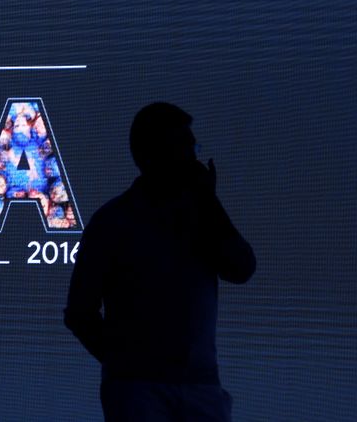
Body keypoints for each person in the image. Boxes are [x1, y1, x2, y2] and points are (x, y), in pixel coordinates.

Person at [65, 102, 256, 422]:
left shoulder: (200, 216)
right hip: (139, 391)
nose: (192, 157)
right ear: (153, 153)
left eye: (192, 147)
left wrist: (209, 201)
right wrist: (125, 365)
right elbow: (79, 313)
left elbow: (241, 268)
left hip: (198, 385)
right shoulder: (114, 222)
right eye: (182, 146)